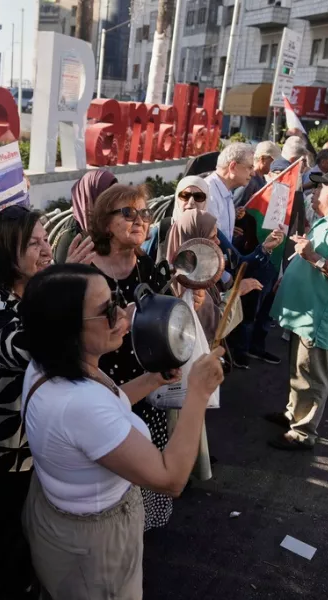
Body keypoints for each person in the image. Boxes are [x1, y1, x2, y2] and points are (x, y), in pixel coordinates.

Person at [19, 263, 226, 600]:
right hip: (94, 547)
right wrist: (198, 393)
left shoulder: (49, 365)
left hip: (60, 518)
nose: (123, 314)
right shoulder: (79, 402)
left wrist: (151, 380)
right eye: (107, 311)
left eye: (116, 300)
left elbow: (106, 407)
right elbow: (170, 478)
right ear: (67, 329)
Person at [0, 204, 95, 599]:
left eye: (45, 240)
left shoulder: (31, 292)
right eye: (34, 243)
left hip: (32, 450)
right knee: (3, 554)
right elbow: (26, 351)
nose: (45, 250)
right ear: (7, 251)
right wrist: (60, 284)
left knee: (28, 549)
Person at [88, 183, 204, 530]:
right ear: (105, 223)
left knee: (148, 464)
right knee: (109, 473)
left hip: (148, 387)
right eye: (128, 213)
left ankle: (139, 526)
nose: (139, 220)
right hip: (105, 388)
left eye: (144, 213)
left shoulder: (150, 269)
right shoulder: (85, 274)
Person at [267, 163, 328, 450]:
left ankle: (303, 432)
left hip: (318, 315)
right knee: (299, 368)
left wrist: (312, 257)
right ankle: (293, 414)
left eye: (321, 186)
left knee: (311, 373)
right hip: (307, 311)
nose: (316, 191)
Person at [166, 210, 262, 479]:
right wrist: (236, 295)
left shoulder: (195, 271)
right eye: (210, 238)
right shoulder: (183, 280)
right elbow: (214, 325)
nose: (218, 243)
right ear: (193, 240)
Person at [53, 169, 117, 264]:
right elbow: (62, 274)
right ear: (91, 196)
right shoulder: (71, 236)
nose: (115, 202)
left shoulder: (108, 223)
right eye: (109, 196)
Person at [145, 175, 210, 263]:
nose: (191, 203)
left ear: (206, 201)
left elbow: (233, 258)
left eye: (198, 196)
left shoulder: (211, 231)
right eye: (185, 196)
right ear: (177, 199)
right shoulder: (160, 230)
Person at [205, 142, 255, 244]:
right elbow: (210, 241)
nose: (253, 173)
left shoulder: (224, 191)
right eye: (250, 167)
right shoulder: (209, 193)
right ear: (233, 167)